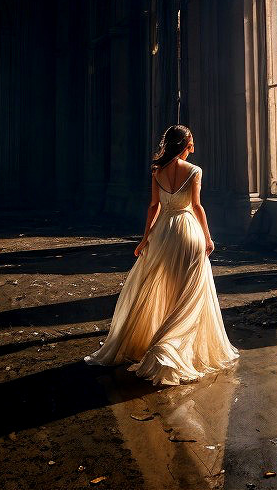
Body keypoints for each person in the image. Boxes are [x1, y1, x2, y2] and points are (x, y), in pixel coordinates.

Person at [84, 124, 239, 385]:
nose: (193, 149)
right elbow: (197, 206)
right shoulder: (194, 171)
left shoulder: (157, 171)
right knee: (189, 292)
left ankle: (162, 341)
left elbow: (153, 207)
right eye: (191, 144)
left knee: (162, 288)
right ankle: (168, 347)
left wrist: (145, 239)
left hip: (163, 234)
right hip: (188, 231)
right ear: (185, 145)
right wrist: (208, 237)